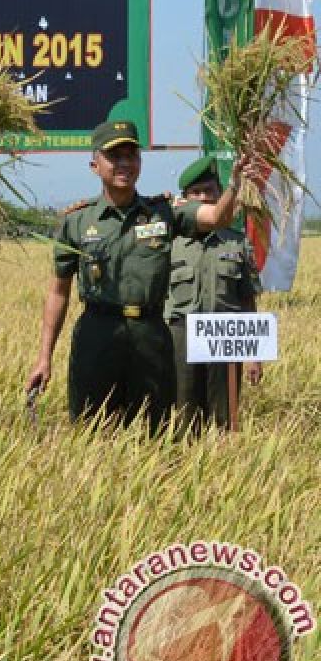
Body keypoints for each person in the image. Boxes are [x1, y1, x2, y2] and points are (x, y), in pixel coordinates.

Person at [24, 120, 248, 432]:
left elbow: (216, 217)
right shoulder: (76, 221)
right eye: (115, 156)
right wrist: (44, 357)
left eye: (132, 155)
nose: (125, 163)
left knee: (153, 433)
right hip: (98, 334)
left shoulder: (164, 212)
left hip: (151, 336)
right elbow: (58, 292)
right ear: (94, 165)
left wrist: (235, 184)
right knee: (90, 430)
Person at [165, 155, 262, 431]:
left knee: (225, 417)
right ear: (184, 199)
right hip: (181, 335)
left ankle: (225, 469)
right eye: (196, 192)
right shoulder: (170, 240)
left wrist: (252, 353)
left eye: (209, 191)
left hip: (225, 334)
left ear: (221, 194)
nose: (204, 197)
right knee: (183, 417)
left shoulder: (237, 242)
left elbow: (247, 298)